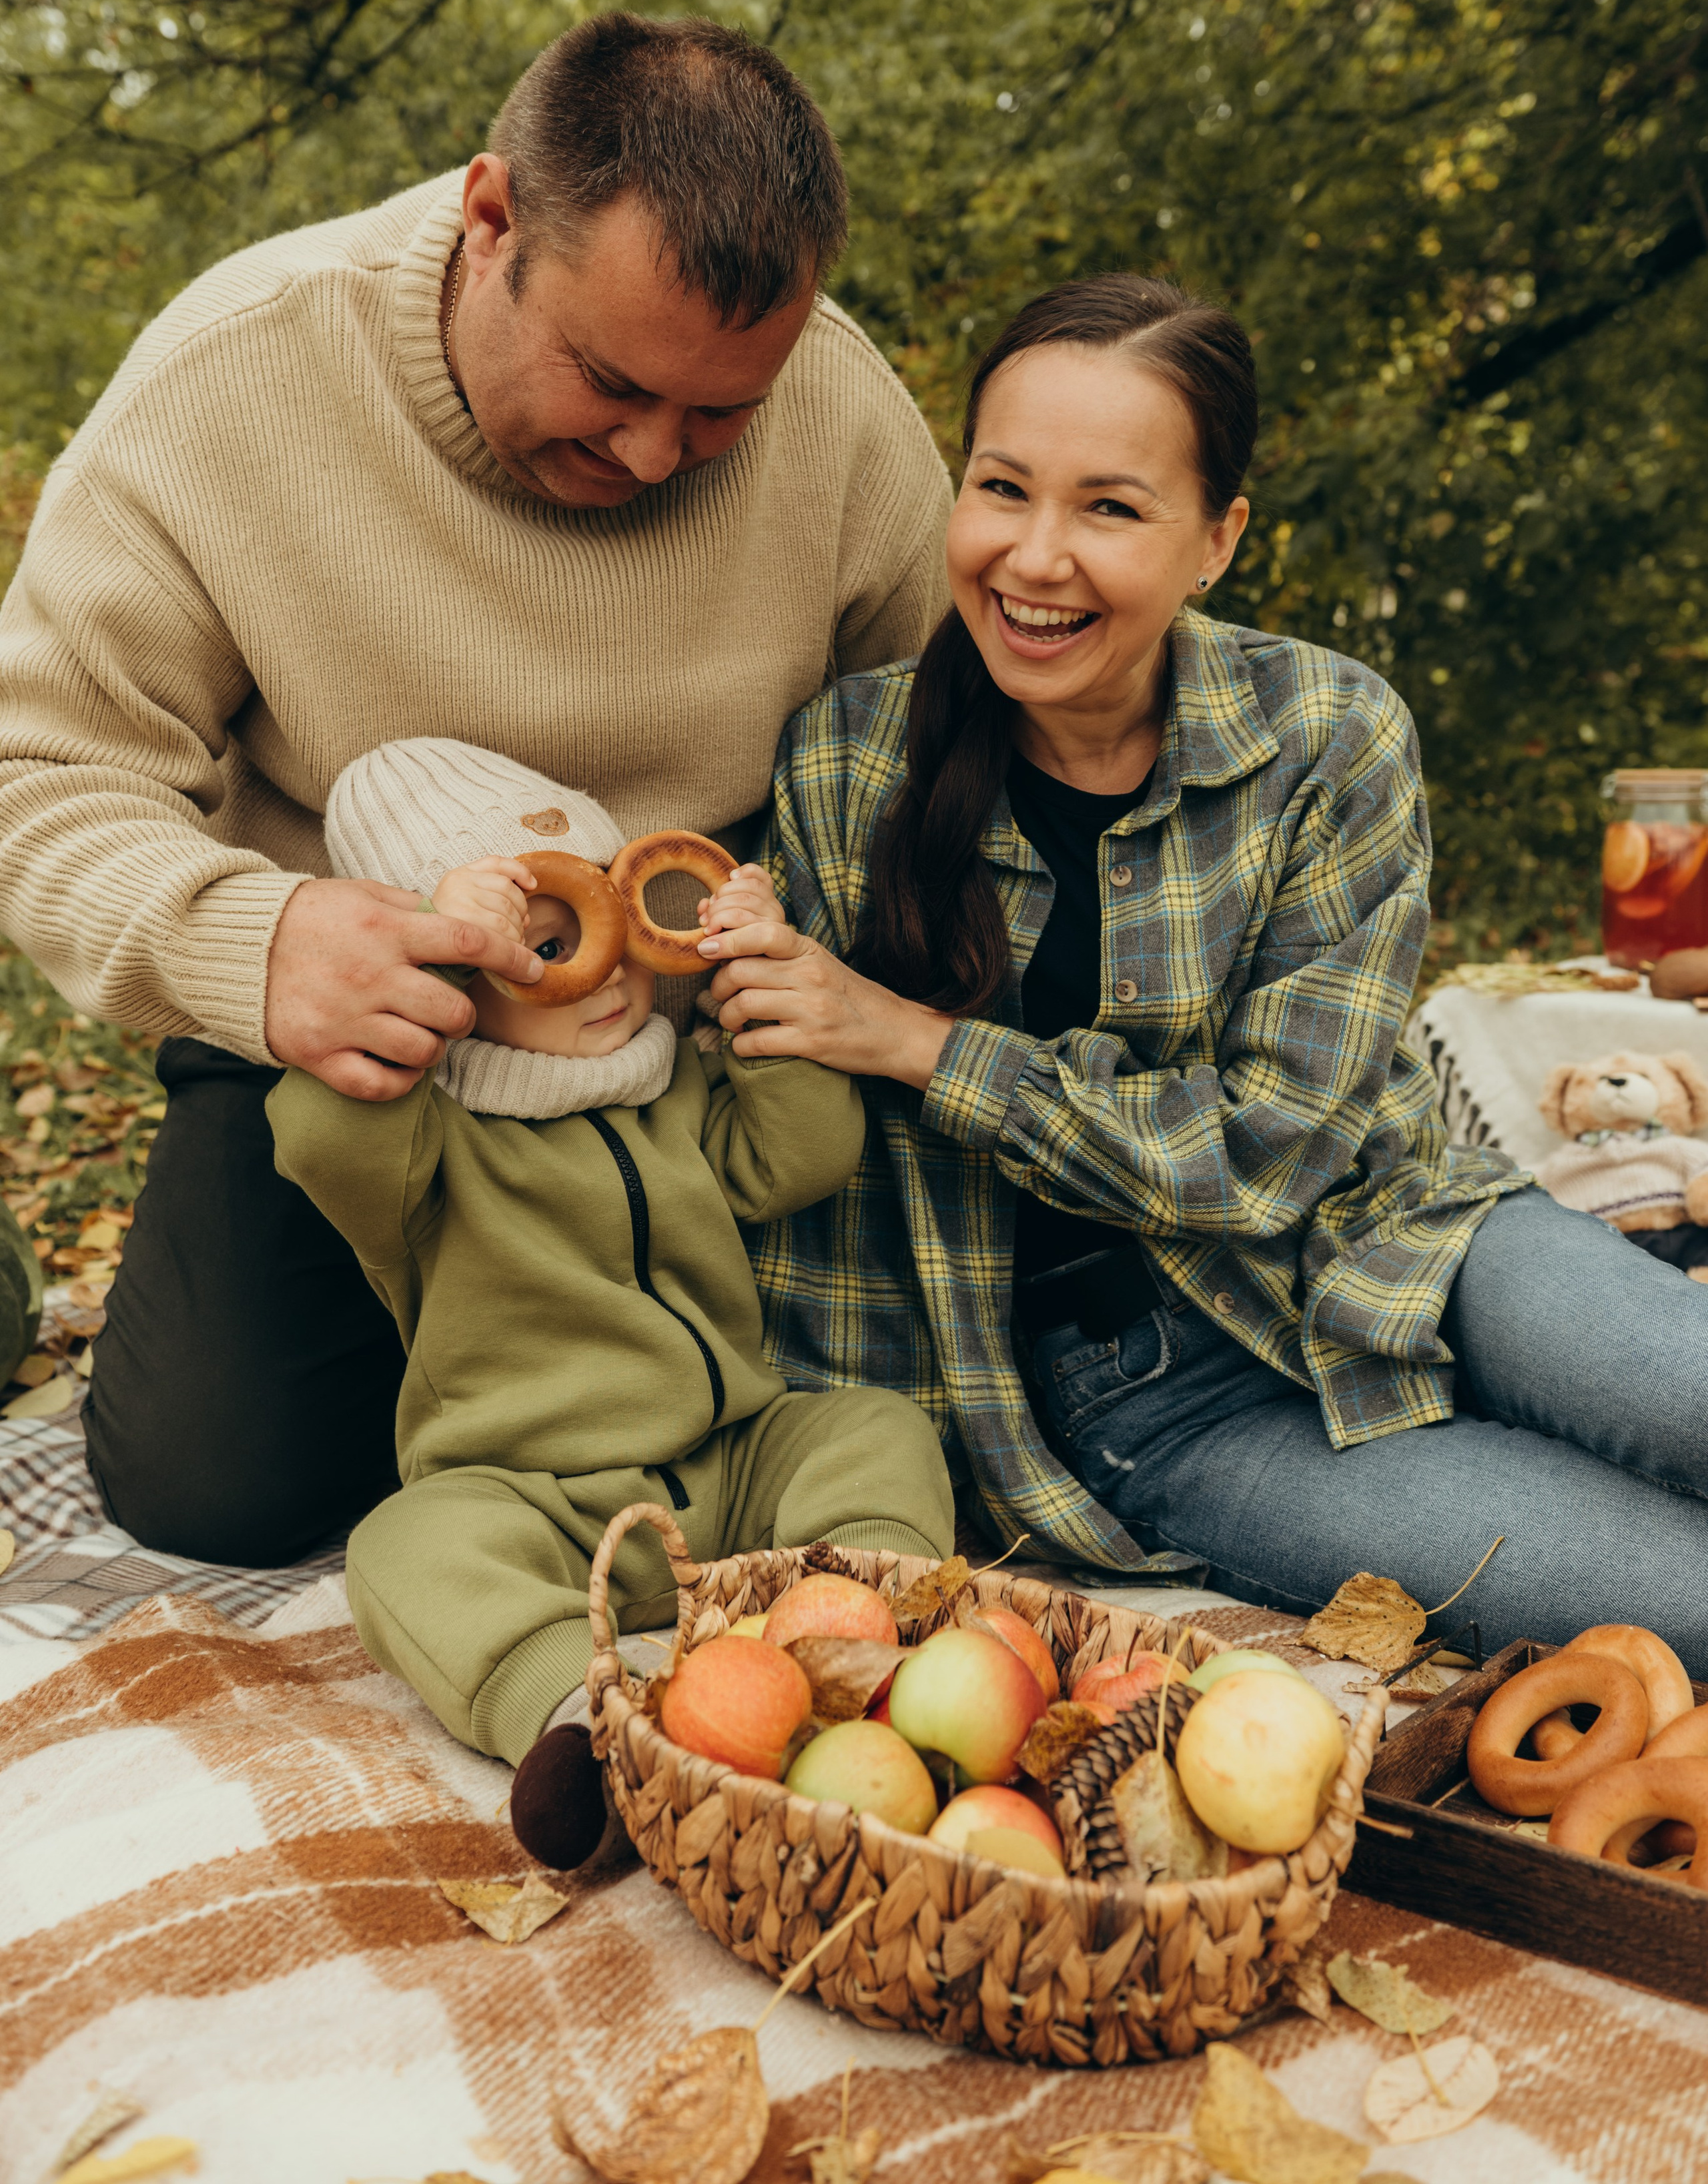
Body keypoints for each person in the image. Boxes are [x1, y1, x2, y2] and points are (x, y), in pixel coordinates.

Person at [0, 12, 951, 1564]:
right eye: (610, 381)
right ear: (490, 217)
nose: (656, 456)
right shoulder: (237, 375)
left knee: (864, 1414)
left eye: (721, 414)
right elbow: (41, 771)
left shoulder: (838, 413)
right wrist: (257, 944)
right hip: (345, 1040)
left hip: (697, 1044)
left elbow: (948, 753)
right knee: (216, 1484)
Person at [692, 273, 1708, 1673]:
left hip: (1409, 1243)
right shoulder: (847, 767)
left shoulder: (1327, 737)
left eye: (1110, 506)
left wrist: (917, 1042)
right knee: (1679, 1597)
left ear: (1214, 539)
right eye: (1002, 488)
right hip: (1148, 1404)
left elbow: (1264, 1154)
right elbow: (813, 1204)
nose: (1034, 558)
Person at [266, 738, 951, 1862]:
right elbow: (323, 1138)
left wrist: (754, 993)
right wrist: (431, 962)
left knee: (874, 1426)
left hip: (734, 1461)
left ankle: (861, 1635)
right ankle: (576, 1717)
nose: (613, 978)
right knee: (401, 1547)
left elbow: (802, 1157)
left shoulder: (667, 1083)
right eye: (542, 948)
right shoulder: (429, 1145)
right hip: (537, 1502)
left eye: (618, 941)